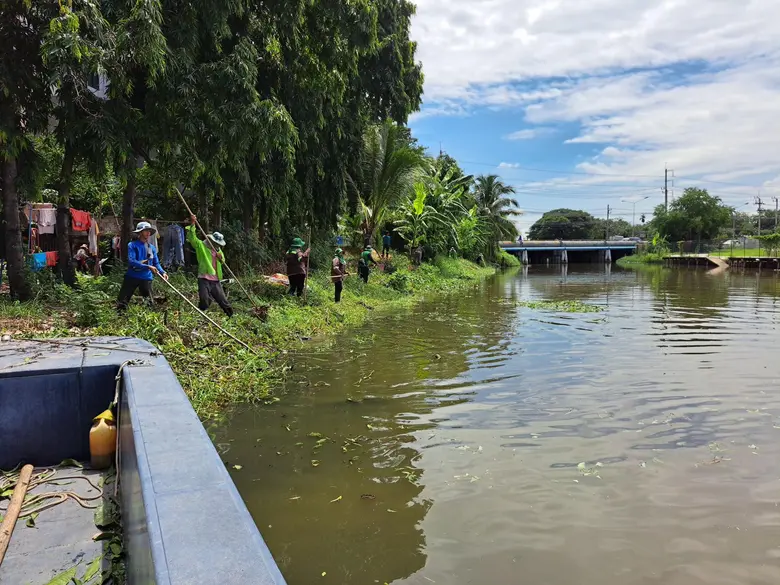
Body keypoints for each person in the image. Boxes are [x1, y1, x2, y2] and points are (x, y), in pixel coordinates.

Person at [186, 215, 233, 317]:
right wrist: (193, 223)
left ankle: (231, 316)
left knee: (223, 300)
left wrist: (221, 258)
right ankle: (202, 315)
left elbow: (223, 261)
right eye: (215, 243)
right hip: (204, 278)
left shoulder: (218, 250)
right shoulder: (201, 246)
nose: (217, 245)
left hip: (215, 279)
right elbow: (192, 238)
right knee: (204, 299)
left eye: (218, 244)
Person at [117, 221, 167, 311]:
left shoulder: (152, 248)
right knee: (122, 302)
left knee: (149, 303)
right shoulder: (132, 245)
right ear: (140, 232)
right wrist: (148, 267)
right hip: (132, 276)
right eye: (146, 231)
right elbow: (132, 261)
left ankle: (149, 318)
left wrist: (163, 272)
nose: (148, 233)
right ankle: (120, 317)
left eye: (149, 231)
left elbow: (156, 263)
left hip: (146, 277)